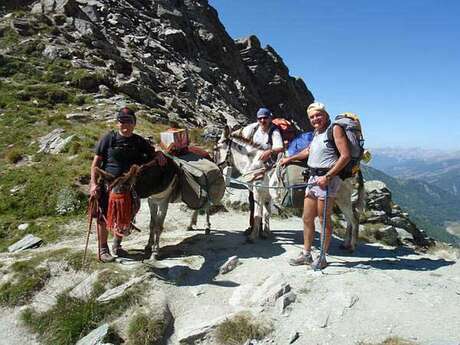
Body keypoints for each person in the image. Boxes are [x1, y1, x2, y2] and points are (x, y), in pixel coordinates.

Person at [90, 107, 166, 262]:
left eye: (129, 122)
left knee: (124, 215)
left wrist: (158, 154)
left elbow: (153, 151)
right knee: (102, 216)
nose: (125, 125)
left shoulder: (139, 141)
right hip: (107, 184)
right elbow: (95, 163)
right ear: (117, 123)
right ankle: (103, 250)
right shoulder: (108, 139)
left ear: (134, 123)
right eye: (122, 121)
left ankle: (117, 246)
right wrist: (93, 184)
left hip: (128, 188)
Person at [281, 102, 350, 269]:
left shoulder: (334, 129)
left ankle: (323, 257)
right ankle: (306, 254)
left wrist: (328, 176)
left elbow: (345, 156)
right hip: (313, 179)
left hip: (327, 181)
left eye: (318, 115)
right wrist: (289, 159)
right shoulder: (317, 132)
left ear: (325, 114)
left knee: (323, 220)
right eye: (312, 117)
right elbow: (308, 152)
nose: (315, 119)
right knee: (307, 218)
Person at [241, 107, 285, 232]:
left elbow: (280, 147)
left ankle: (264, 227)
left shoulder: (274, 131)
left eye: (265, 118)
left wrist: (269, 152)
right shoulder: (254, 128)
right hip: (253, 167)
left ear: (270, 118)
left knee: (265, 198)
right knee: (253, 197)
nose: (262, 120)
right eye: (260, 118)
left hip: (268, 167)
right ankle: (254, 226)